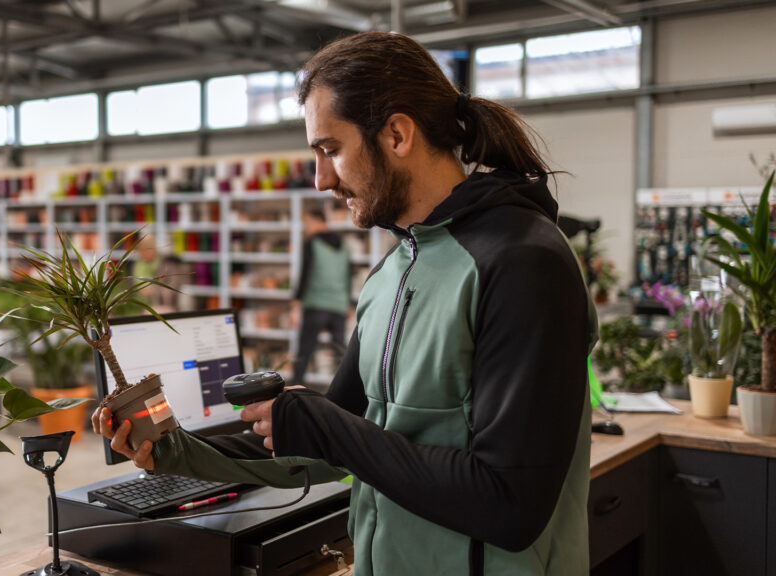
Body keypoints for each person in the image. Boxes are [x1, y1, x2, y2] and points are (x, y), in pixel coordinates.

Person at [93, 31, 596, 575]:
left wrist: (325, 424)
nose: (320, 179)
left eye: (330, 149)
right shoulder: (393, 271)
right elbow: (326, 448)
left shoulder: (524, 261)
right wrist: (171, 449)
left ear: (397, 134)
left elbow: (509, 504)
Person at [290, 208, 352, 388]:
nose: (306, 227)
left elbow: (305, 273)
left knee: (304, 350)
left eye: (307, 223)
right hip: (339, 305)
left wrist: (296, 304)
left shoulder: (312, 242)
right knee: (340, 353)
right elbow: (348, 275)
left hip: (316, 304)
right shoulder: (343, 244)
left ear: (316, 221)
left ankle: (295, 388)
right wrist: (347, 303)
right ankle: (344, 390)